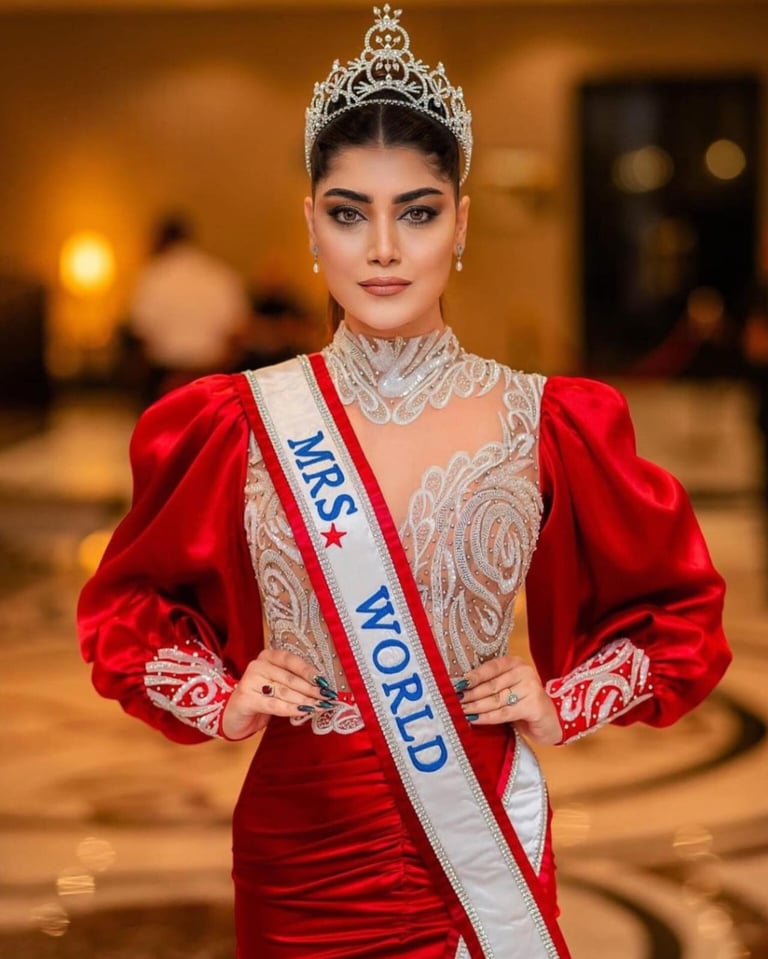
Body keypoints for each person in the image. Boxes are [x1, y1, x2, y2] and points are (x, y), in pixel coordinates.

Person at [77, 7, 731, 958]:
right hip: (300, 854)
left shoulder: (546, 419)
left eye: (417, 211)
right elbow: (128, 607)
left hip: (476, 836)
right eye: (349, 212)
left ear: (460, 223)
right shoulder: (238, 422)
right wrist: (221, 693)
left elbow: (679, 612)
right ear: (311, 225)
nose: (382, 248)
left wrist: (567, 697)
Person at [127, 212, 251, 403]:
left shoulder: (153, 276)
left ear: (161, 240)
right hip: (213, 378)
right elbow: (238, 333)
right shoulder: (221, 275)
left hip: (165, 378)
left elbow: (142, 332)